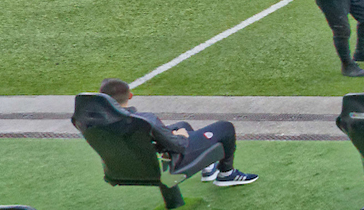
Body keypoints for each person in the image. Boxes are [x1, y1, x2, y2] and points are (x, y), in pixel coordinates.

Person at [93, 78, 252, 186]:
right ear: (130, 95)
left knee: (182, 124)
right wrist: (181, 136)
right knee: (225, 127)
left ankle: (209, 168)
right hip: (163, 165)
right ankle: (226, 173)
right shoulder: (144, 120)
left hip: (121, 169)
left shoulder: (96, 123)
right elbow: (179, 146)